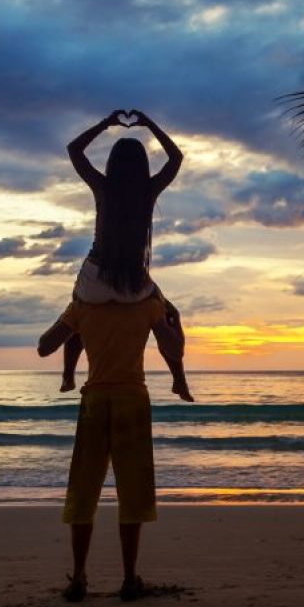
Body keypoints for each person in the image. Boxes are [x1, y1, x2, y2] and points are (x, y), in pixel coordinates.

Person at [38, 295, 192, 602]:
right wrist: (177, 323)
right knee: (133, 493)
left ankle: (79, 576)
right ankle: (129, 579)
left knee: (83, 490)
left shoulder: (84, 302)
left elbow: (44, 347)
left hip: (95, 400)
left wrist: (69, 319)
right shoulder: (147, 300)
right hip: (132, 400)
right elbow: (173, 349)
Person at [49, 109, 191, 400]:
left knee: (77, 311)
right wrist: (149, 124)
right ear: (143, 166)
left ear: (112, 164)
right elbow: (176, 158)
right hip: (134, 283)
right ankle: (179, 379)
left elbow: (74, 149)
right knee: (169, 314)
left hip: (95, 277)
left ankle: (67, 376)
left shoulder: (103, 187)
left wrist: (106, 123)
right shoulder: (149, 190)